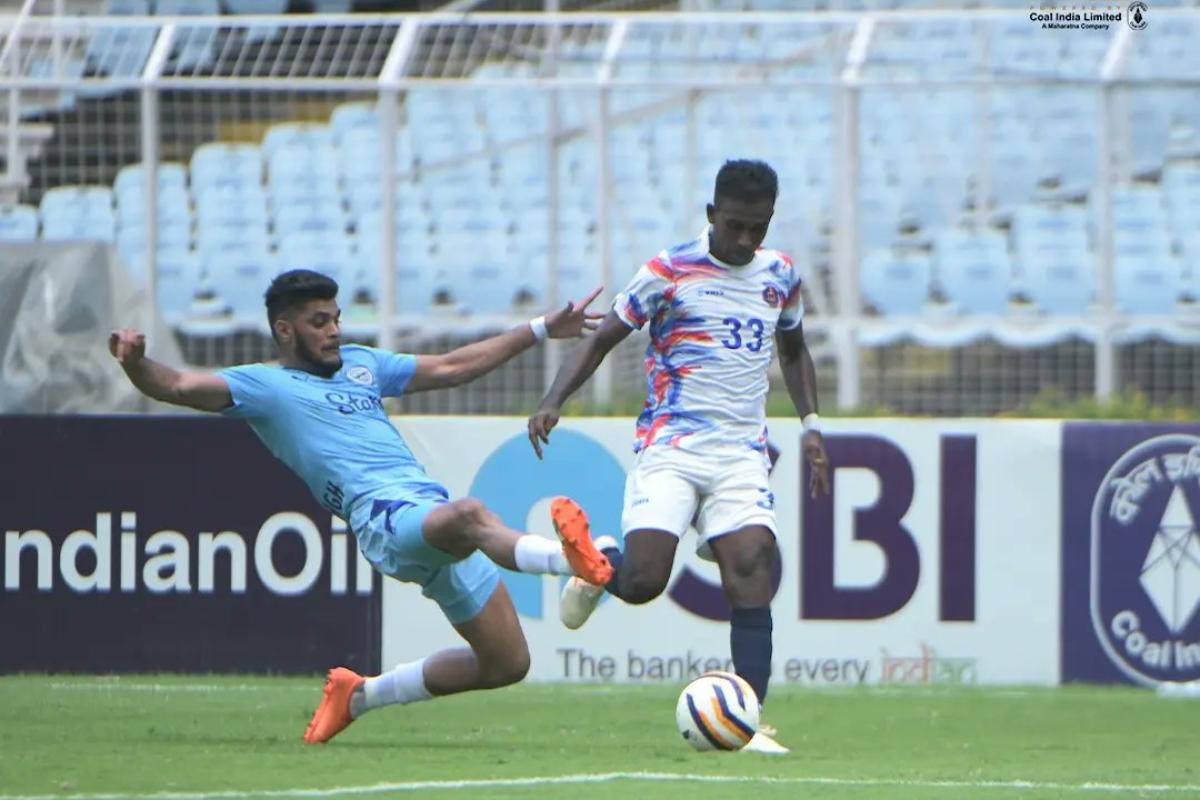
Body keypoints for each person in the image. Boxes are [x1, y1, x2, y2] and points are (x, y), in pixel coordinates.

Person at [109, 269, 613, 745]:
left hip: (425, 515)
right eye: (319, 321)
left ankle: (360, 695)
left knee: (506, 663)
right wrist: (135, 363)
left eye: (336, 318)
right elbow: (176, 385)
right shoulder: (263, 386)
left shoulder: (361, 364)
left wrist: (542, 327)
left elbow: (452, 367)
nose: (333, 330)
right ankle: (568, 561)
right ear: (284, 330)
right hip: (386, 521)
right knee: (470, 515)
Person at [527, 160, 831, 754]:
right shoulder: (667, 271)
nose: (746, 241)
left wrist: (812, 427)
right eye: (736, 226)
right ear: (712, 215)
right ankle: (602, 566)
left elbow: (794, 352)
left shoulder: (781, 275)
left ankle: (747, 721)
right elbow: (602, 338)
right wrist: (553, 399)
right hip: (671, 446)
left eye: (758, 229)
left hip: (742, 452)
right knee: (643, 583)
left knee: (752, 566)